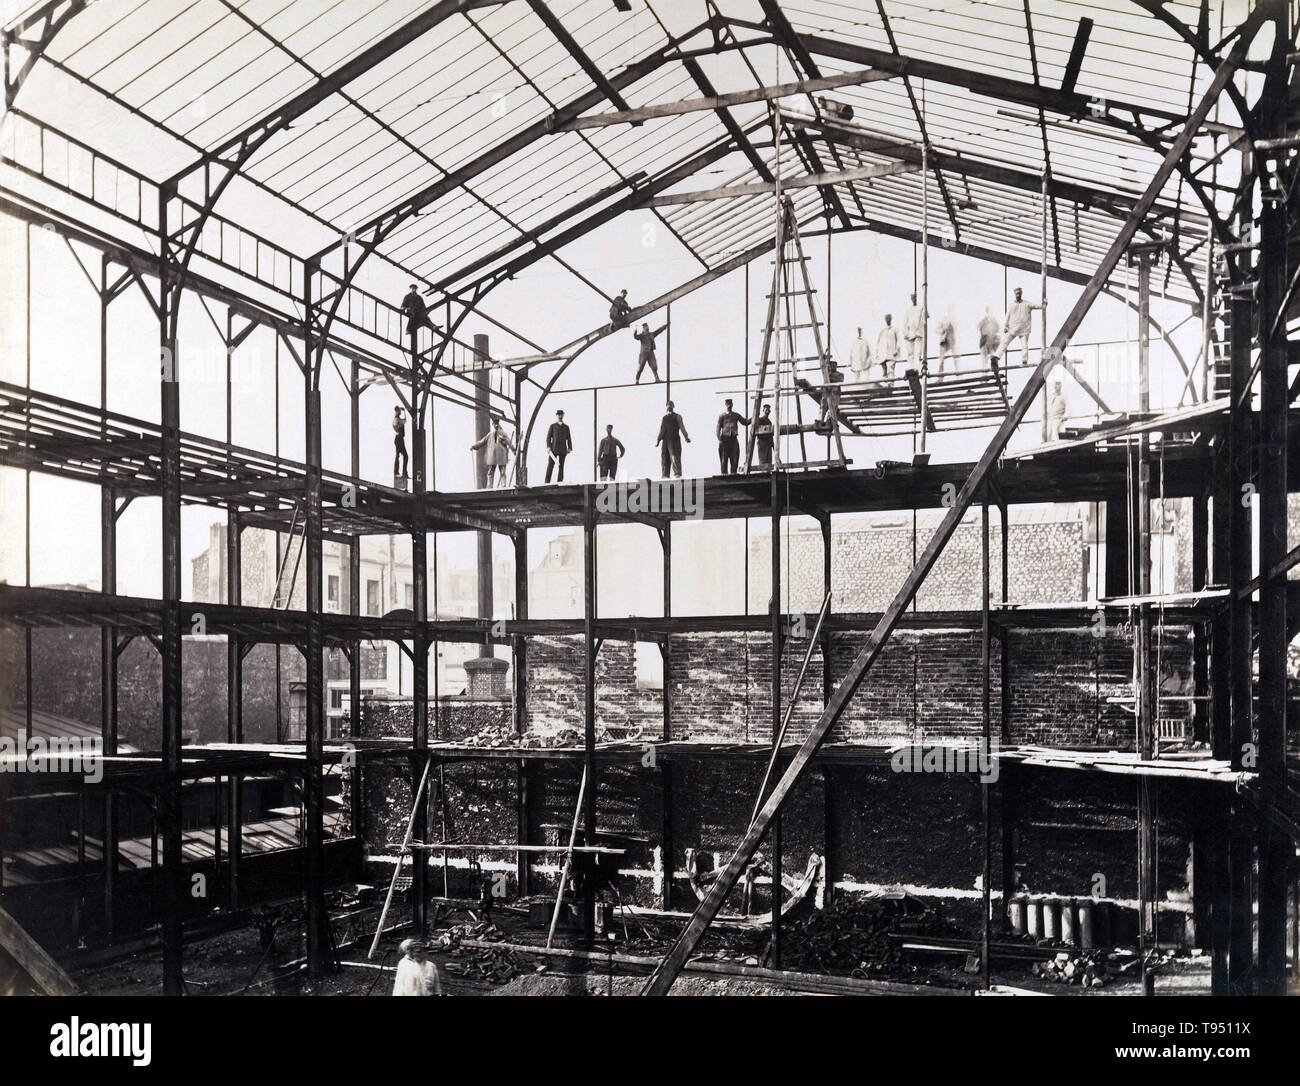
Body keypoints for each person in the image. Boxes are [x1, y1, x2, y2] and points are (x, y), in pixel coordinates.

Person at [469, 417, 515, 488]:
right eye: (495, 424)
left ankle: (503, 485)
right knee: (490, 472)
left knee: (502, 472)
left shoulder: (503, 434)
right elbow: (482, 441)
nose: (496, 425)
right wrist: (474, 446)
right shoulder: (490, 435)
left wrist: (513, 450)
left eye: (497, 424)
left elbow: (509, 442)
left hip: (501, 456)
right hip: (492, 456)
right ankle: (489, 486)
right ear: (493, 425)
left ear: (498, 424)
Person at [1004, 287, 1045, 365]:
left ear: (1021, 294)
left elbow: (1038, 306)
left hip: (1024, 329)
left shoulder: (1027, 303)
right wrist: (1006, 326)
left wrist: (1044, 304)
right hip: (1014, 328)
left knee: (1024, 345)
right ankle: (997, 357)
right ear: (1015, 294)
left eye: (1019, 293)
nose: (1018, 295)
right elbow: (1007, 316)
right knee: (1005, 342)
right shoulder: (1011, 305)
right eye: (1017, 294)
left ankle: (1024, 360)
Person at [656, 400, 690, 478]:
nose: (669, 406)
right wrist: (658, 440)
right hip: (665, 440)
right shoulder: (664, 418)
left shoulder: (677, 416)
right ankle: (665, 474)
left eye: (671, 405)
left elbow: (682, 427)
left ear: (673, 406)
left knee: (674, 456)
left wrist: (686, 437)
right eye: (668, 405)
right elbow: (662, 430)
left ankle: (677, 473)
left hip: (674, 439)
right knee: (665, 457)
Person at [715, 398, 749, 475]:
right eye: (727, 404)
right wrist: (719, 438)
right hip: (724, 439)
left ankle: (733, 473)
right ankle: (724, 474)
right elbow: (718, 427)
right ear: (725, 405)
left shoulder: (736, 415)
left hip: (733, 439)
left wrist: (754, 417)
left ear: (732, 405)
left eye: (730, 404)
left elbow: (745, 422)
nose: (729, 406)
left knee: (734, 457)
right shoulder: (722, 416)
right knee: (724, 458)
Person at [544, 409, 572, 483]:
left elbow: (569, 438)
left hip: (563, 449)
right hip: (554, 449)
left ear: (563, 415)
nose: (560, 416)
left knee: (561, 466)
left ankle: (560, 482)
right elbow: (548, 438)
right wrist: (548, 447)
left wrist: (569, 447)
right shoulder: (552, 426)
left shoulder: (566, 427)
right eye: (558, 415)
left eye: (561, 414)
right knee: (550, 466)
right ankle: (547, 482)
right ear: (556, 415)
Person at [902, 293, 926, 367]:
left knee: (918, 353)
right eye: (912, 298)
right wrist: (905, 333)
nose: (914, 299)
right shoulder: (908, 310)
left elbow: (926, 317)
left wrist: (924, 306)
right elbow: (905, 322)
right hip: (910, 333)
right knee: (910, 353)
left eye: (915, 297)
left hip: (918, 333)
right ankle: (911, 368)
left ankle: (917, 368)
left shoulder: (921, 308)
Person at [876, 314, 901, 378]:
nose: (888, 320)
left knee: (890, 369)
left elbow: (898, 340)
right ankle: (885, 384)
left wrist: (896, 350)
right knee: (884, 371)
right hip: (883, 354)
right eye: (887, 318)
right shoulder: (882, 330)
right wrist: (877, 353)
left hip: (891, 353)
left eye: (889, 318)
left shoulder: (895, 329)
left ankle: (891, 384)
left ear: (891, 319)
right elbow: (878, 342)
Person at [935, 307, 958, 372]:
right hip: (944, 341)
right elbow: (936, 330)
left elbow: (958, 329)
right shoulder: (943, 319)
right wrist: (942, 330)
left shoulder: (955, 319)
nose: (950, 312)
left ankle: (958, 373)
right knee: (941, 359)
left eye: (951, 311)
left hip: (952, 341)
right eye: (949, 310)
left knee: (956, 357)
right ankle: (940, 376)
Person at [753, 403, 775, 468]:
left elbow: (771, 435)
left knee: (769, 462)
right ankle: (763, 474)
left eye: (768, 410)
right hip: (762, 443)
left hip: (768, 444)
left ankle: (768, 475)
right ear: (763, 410)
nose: (767, 411)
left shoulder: (769, 422)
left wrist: (773, 446)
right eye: (766, 410)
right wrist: (767, 437)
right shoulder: (760, 420)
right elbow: (758, 433)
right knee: (763, 462)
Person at [392, 406, 409, 479]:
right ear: (396, 411)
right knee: (403, 456)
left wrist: (404, 412)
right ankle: (400, 472)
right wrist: (404, 412)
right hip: (399, 439)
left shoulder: (397, 419)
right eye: (399, 411)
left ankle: (400, 472)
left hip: (399, 439)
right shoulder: (396, 419)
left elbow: (404, 421)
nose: (400, 412)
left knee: (399, 455)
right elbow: (403, 421)